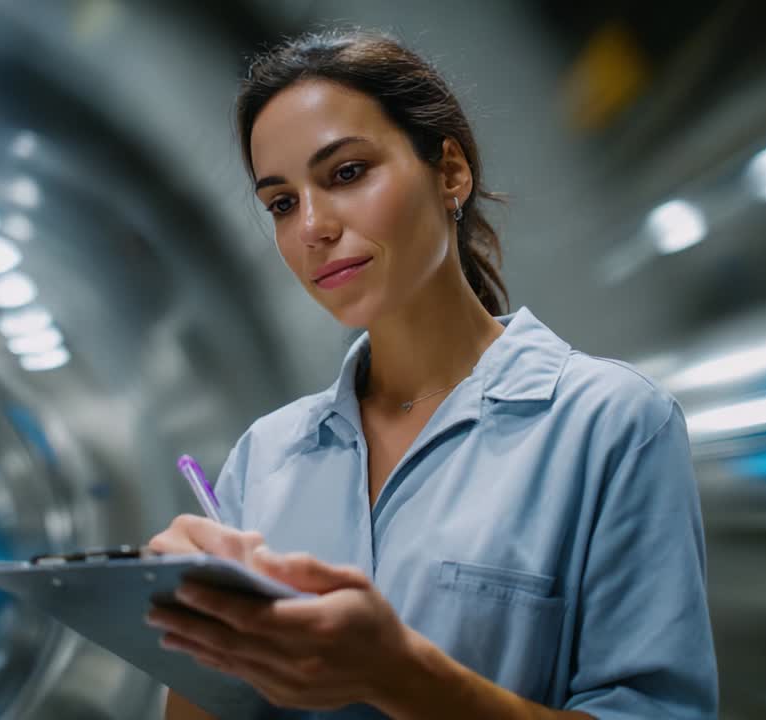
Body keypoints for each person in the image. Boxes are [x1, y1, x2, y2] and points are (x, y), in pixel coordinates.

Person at [146, 29, 718, 720]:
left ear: (450, 173)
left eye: (347, 173)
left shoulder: (610, 424)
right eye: (282, 203)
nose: (312, 228)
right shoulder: (264, 457)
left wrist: (399, 674)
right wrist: (194, 624)